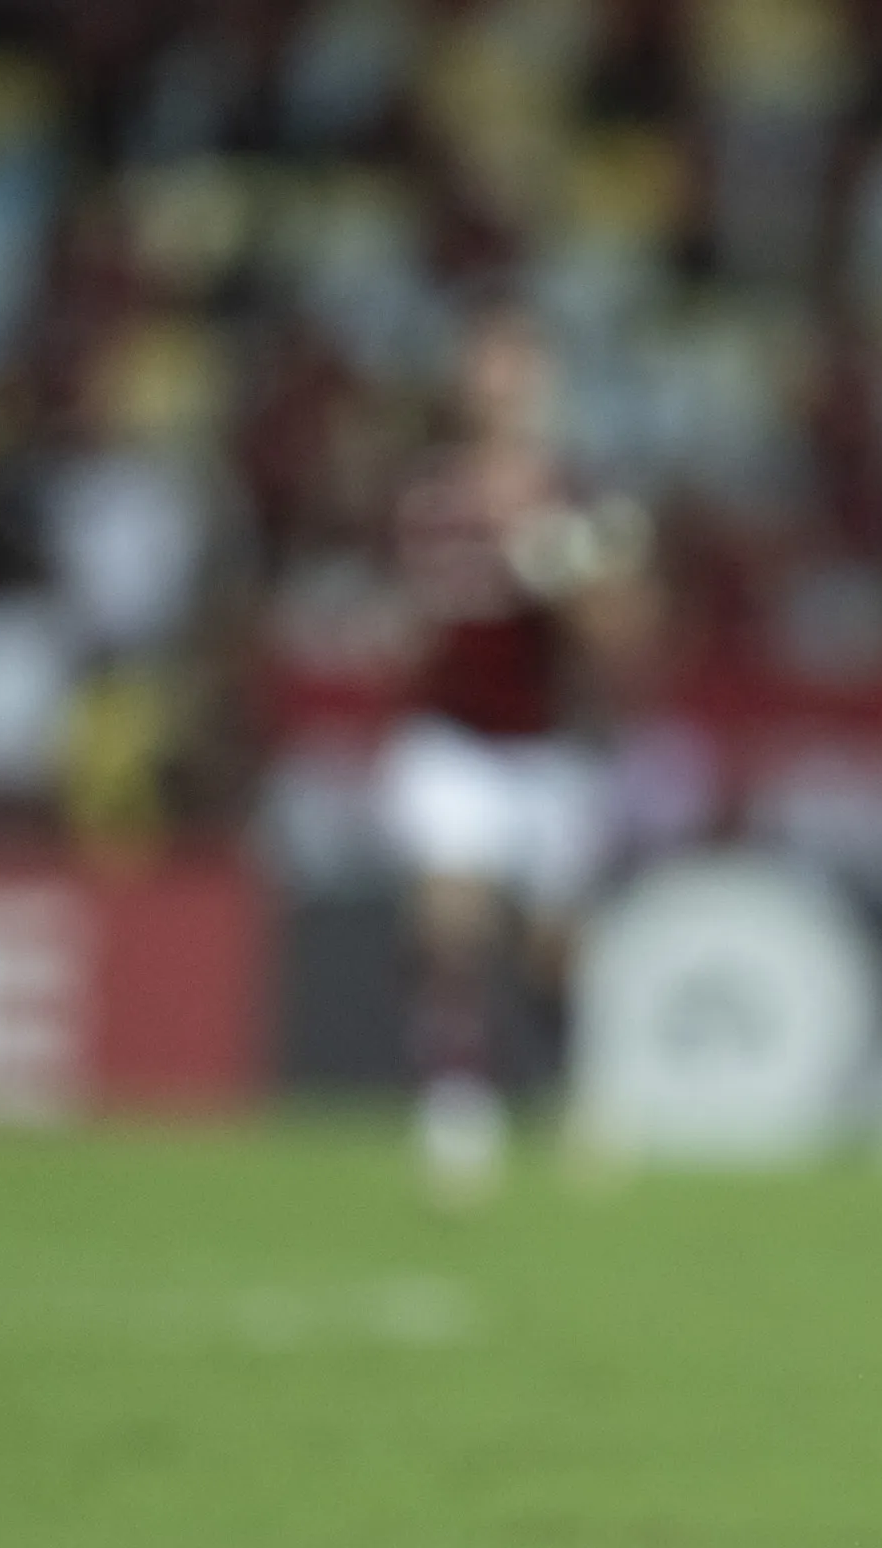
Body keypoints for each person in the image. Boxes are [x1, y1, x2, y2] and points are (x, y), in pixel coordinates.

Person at [381, 308, 644, 1202]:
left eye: (516, 368)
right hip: (454, 740)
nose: (501, 386)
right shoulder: (431, 497)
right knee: (448, 923)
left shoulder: (580, 495)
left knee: (551, 951)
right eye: (487, 367)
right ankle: (459, 1115)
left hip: (549, 748)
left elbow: (623, 634)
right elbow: (418, 626)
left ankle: (570, 1092)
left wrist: (567, 579)